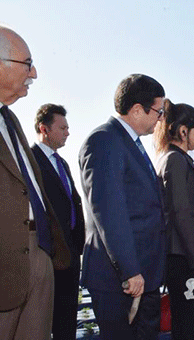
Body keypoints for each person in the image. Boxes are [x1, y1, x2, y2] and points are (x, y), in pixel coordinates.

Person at [79, 74, 166, 340]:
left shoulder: (129, 144)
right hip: (120, 280)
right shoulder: (104, 141)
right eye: (158, 111)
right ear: (137, 109)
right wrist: (130, 270)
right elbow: (109, 213)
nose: (161, 118)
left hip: (140, 274)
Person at [0, 25, 70, 340]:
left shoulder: (9, 120)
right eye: (27, 64)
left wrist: (47, 251)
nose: (35, 73)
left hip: (37, 257)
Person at [154, 101, 194, 340]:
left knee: (188, 324)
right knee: (188, 326)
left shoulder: (173, 159)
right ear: (183, 131)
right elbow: (181, 213)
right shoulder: (175, 160)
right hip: (183, 259)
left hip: (182, 256)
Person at [31, 104, 85, 340]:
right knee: (43, 322)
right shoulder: (30, 161)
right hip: (47, 254)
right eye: (62, 127)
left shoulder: (61, 163)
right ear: (44, 129)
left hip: (70, 252)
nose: (68, 132)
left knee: (67, 323)